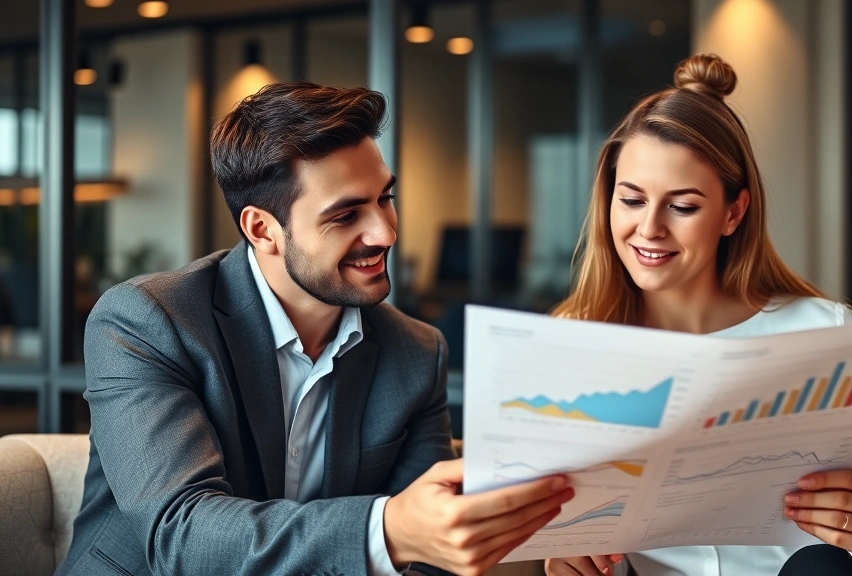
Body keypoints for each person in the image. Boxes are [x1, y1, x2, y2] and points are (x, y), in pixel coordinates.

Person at [56, 82, 574, 576]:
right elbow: (180, 534)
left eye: (385, 199)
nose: (385, 232)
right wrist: (387, 528)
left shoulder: (416, 352)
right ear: (263, 230)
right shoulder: (148, 322)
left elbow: (430, 560)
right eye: (346, 215)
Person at [544, 54, 852, 576]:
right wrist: (566, 558)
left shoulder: (820, 332)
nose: (648, 228)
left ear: (733, 212)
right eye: (631, 199)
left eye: (682, 206)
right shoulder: (575, 343)